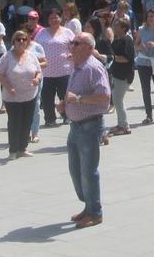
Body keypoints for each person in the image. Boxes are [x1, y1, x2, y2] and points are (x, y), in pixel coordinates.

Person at [62, 33, 111, 227]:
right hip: (75, 126)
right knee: (76, 170)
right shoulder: (77, 66)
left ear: (89, 48)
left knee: (88, 171)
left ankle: (95, 212)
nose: (72, 46)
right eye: (72, 42)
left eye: (76, 43)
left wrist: (79, 100)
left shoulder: (93, 68)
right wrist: (65, 103)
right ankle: (88, 206)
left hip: (89, 126)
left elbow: (104, 97)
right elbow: (74, 94)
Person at [0, 30, 42, 158]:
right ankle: (13, 150)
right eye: (18, 39)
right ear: (14, 42)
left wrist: (37, 79)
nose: (21, 41)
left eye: (24, 39)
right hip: (12, 96)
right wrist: (8, 87)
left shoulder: (32, 56)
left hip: (29, 95)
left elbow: (38, 71)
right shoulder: (7, 56)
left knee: (27, 122)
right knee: (14, 122)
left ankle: (22, 148)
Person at [36, 9, 76, 127]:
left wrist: (72, 55)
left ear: (61, 18)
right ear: (47, 20)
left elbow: (75, 46)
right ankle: (50, 118)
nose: (54, 20)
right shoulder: (41, 33)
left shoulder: (68, 32)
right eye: (51, 18)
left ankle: (67, 116)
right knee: (47, 97)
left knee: (65, 95)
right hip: (46, 72)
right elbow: (35, 48)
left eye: (56, 17)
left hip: (65, 70)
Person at [108, 19, 136, 136]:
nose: (114, 27)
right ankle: (120, 124)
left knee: (118, 101)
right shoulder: (117, 39)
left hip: (124, 75)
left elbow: (127, 58)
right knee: (116, 100)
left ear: (124, 28)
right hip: (117, 74)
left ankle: (125, 126)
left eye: (117, 25)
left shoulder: (127, 40)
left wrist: (113, 57)